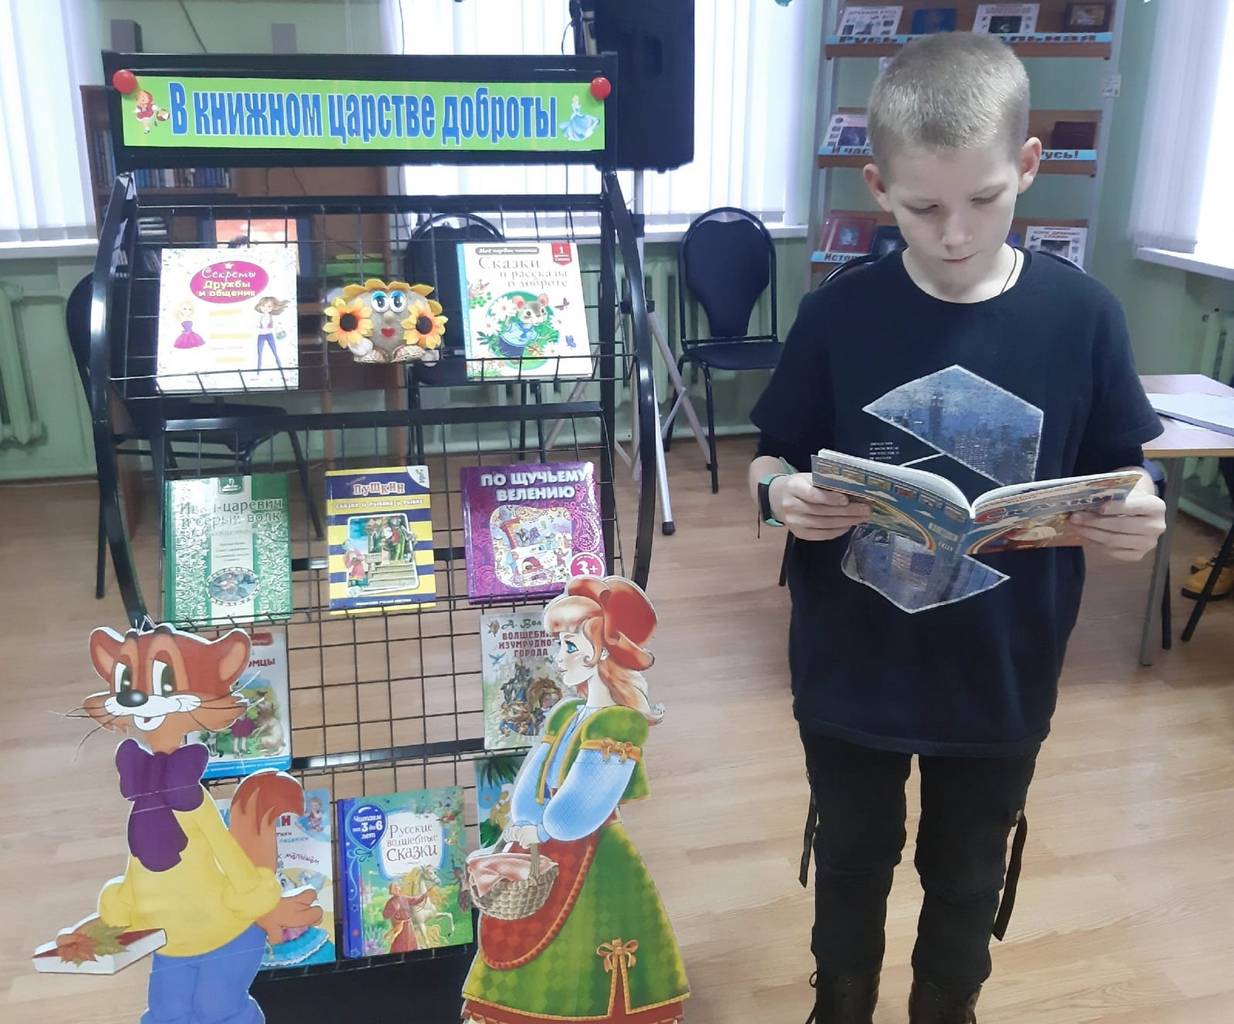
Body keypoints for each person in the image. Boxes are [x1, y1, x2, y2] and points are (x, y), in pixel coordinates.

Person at [747, 33, 1167, 1024]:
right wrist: (780, 495)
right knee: (852, 857)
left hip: (1003, 667)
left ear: (1028, 165)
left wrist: (1139, 512)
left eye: (984, 199)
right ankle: (839, 1005)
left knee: (969, 867)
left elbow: (1127, 466)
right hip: (851, 662)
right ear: (876, 187)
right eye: (921, 208)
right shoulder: (839, 314)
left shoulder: (1084, 316)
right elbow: (772, 455)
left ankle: (948, 1006)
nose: (953, 234)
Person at [461, 575, 689, 1024]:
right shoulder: (567, 712)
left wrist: (536, 827)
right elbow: (529, 790)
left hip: (594, 854)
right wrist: (526, 824)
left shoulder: (618, 725)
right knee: (520, 938)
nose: (557, 655)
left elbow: (576, 815)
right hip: (541, 847)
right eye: (559, 643)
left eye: (568, 645)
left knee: (584, 941)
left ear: (602, 651)